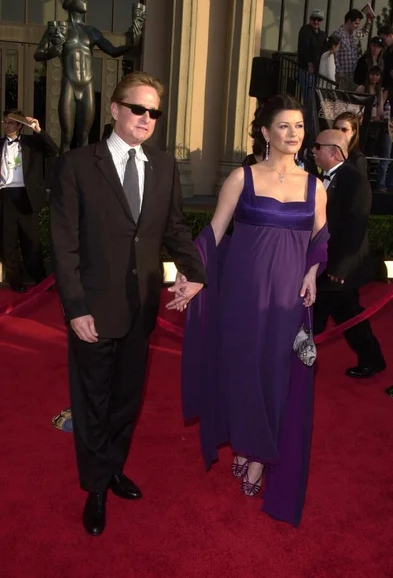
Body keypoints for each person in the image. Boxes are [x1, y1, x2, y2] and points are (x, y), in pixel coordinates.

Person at [50, 71, 206, 536]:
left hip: (140, 307)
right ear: (115, 109)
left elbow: (173, 228)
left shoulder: (163, 166)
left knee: (125, 402)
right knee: (93, 401)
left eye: (153, 112)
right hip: (93, 311)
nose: (146, 118)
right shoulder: (78, 164)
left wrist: (194, 272)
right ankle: (95, 487)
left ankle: (113, 467)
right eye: (137, 108)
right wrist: (75, 308)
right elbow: (64, 244)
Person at [180, 95, 328, 527]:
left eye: (299, 127)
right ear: (265, 132)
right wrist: (192, 276)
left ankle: (261, 456)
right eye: (284, 126)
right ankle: (245, 445)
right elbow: (212, 233)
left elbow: (320, 238)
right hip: (242, 294)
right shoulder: (241, 178)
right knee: (243, 368)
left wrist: (313, 273)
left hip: (288, 297)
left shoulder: (314, 185)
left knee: (276, 374)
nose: (294, 134)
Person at [312, 130, 386, 378]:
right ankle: (371, 358)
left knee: (339, 313)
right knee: (332, 311)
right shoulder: (322, 177)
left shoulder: (355, 180)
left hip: (341, 268)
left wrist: (340, 268)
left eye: (317, 146)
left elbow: (355, 227)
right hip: (325, 263)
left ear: (334, 152)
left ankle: (372, 359)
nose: (312, 150)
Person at [34, 0, 144, 153]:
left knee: (84, 136)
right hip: (69, 84)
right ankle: (64, 176)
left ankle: (82, 176)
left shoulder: (91, 31)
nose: (85, 0)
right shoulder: (58, 29)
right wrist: (54, 50)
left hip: (87, 86)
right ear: (71, 1)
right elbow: (38, 54)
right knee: (67, 136)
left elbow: (113, 51)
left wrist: (131, 44)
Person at [0, 110, 59, 292]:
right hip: (4, 197)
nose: (6, 125)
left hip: (27, 197)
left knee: (31, 242)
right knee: (7, 243)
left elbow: (53, 150)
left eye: (11, 122)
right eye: (5, 122)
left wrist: (38, 130)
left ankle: (39, 279)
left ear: (19, 126)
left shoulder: (32, 143)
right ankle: (15, 282)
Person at [333, 9, 374, 91]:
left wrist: (368, 20)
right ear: (349, 21)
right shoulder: (338, 34)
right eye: (356, 23)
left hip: (353, 75)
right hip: (342, 75)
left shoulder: (354, 33)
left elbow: (364, 32)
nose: (357, 26)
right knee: (341, 98)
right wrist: (338, 71)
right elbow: (334, 54)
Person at [376, 25, 393, 192]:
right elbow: (385, 86)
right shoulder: (387, 54)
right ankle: (382, 182)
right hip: (390, 106)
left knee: (389, 150)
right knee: (387, 148)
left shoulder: (389, 54)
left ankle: (388, 183)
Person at [332, 111, 367, 178]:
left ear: (353, 132)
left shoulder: (357, 159)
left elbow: (361, 186)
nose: (339, 132)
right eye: (336, 128)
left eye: (344, 130)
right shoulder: (329, 152)